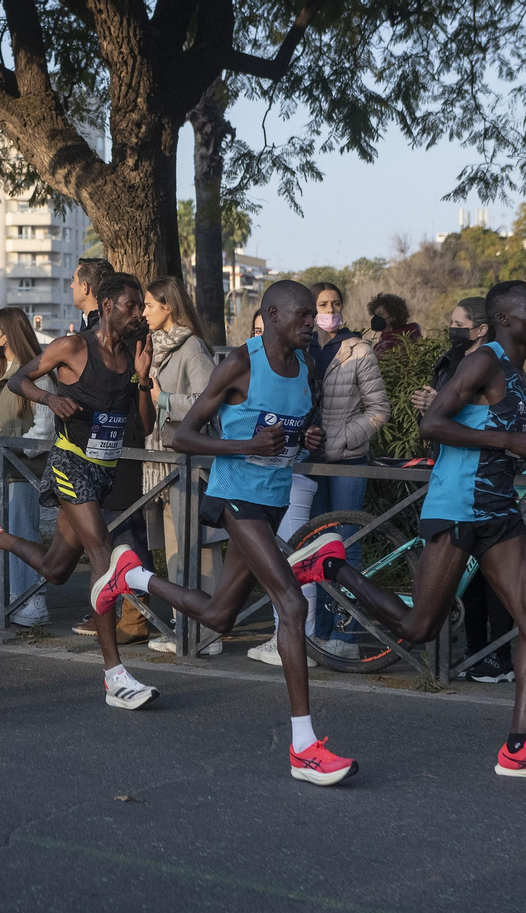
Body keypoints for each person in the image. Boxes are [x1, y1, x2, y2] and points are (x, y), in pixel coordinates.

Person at [337, 281, 526, 781]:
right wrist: (510, 438)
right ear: (506, 319)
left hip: (498, 511)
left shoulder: (516, 369)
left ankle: (520, 747)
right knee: (419, 629)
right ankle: (333, 565)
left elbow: (497, 434)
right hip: (458, 508)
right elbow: (433, 424)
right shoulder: (483, 360)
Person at [130, 280, 357, 783]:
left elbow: (288, 434)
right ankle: (304, 747)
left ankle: (134, 578)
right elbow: (182, 435)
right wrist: (245, 447)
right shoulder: (241, 363)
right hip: (237, 497)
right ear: (272, 314)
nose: (310, 323)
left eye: (311, 317)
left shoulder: (305, 366)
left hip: (274, 501)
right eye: (301, 315)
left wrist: (305, 436)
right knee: (292, 605)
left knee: (219, 614)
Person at [0, 274, 161, 709]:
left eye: (140, 307)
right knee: (103, 556)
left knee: (55, 570)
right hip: (71, 464)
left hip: (104, 469)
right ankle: (115, 675)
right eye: (130, 306)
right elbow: (19, 381)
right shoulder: (73, 348)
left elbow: (144, 425)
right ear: (107, 305)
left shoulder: (130, 354)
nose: (138, 314)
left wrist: (143, 379)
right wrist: (50, 401)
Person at [254, 281, 389, 667]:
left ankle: (348, 633)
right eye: (319, 306)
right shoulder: (300, 349)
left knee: (348, 541)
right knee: (316, 544)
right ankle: (322, 632)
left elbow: (379, 409)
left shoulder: (357, 349)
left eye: (334, 304)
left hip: (347, 459)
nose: (327, 311)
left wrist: (342, 439)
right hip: (309, 461)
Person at [410, 297, 516, 683]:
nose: (451, 328)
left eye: (458, 322)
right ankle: (480, 653)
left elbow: (476, 414)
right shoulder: (457, 361)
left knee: (510, 596)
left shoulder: (490, 362)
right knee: (423, 621)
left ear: (483, 327)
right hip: (457, 487)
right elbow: (442, 420)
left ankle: (497, 658)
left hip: (479, 489)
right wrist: (433, 406)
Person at [133, 276, 216, 654]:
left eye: (149, 304)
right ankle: (185, 628)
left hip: (189, 461)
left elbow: (208, 400)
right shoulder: (157, 347)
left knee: (199, 549)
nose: (144, 311)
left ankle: (208, 633)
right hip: (164, 463)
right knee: (175, 551)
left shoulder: (192, 346)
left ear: (169, 306)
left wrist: (165, 398)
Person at [0, 306, 54, 625]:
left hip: (21, 471)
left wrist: (13, 451)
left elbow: (45, 428)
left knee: (21, 532)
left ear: (9, 332)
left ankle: (31, 600)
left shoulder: (38, 372)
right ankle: (3, 598)